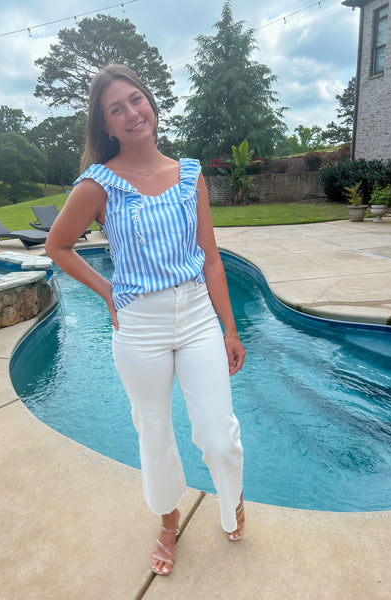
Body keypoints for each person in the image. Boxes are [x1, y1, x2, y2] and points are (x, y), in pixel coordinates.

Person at [45, 64, 246, 576]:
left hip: (198, 315)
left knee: (218, 436)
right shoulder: (98, 184)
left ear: (151, 103)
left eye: (137, 100)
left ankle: (232, 501)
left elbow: (212, 258)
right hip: (140, 326)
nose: (132, 113)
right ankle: (167, 521)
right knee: (153, 431)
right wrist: (108, 291)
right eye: (117, 108)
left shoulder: (189, 175)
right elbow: (58, 246)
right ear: (106, 126)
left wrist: (229, 327)